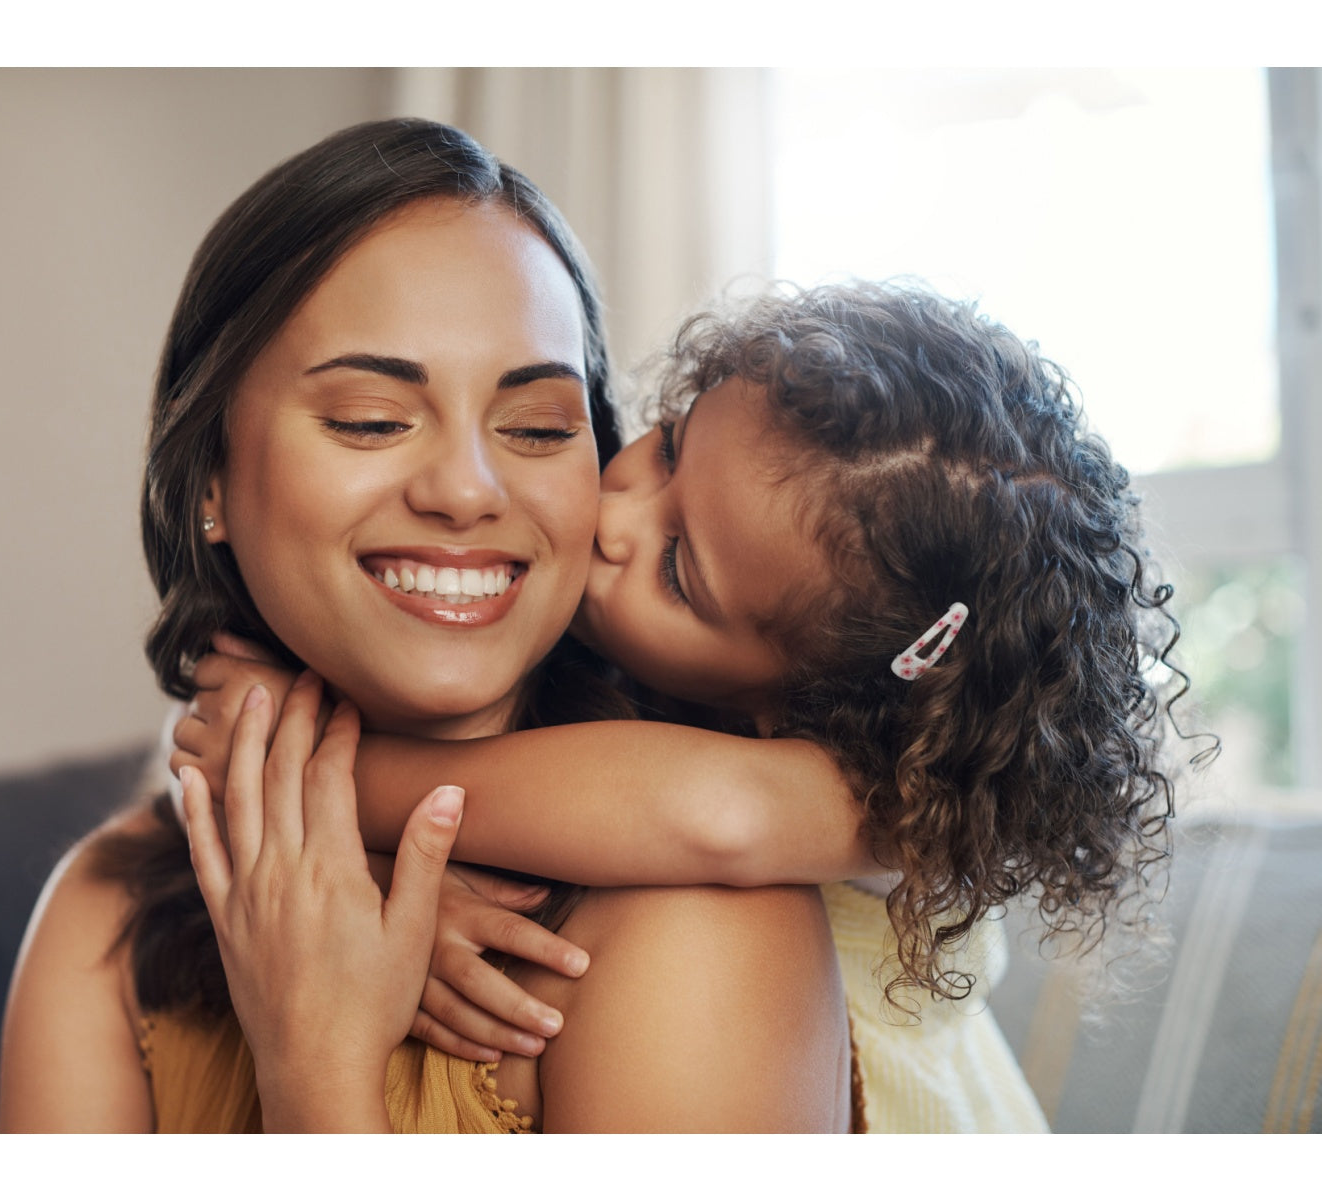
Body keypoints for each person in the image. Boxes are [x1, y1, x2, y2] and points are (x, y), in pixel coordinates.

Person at [0, 118, 858, 1133]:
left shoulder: (704, 916)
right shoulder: (104, 913)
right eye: (370, 418)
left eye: (536, 428)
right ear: (209, 481)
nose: (465, 489)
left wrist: (314, 1062)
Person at [177, 280, 1195, 1132]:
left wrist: (316, 773)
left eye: (675, 567)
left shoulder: (884, 799)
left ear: (802, 700)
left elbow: (707, 816)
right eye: (667, 450)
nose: (613, 519)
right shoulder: (620, 686)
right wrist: (386, 878)